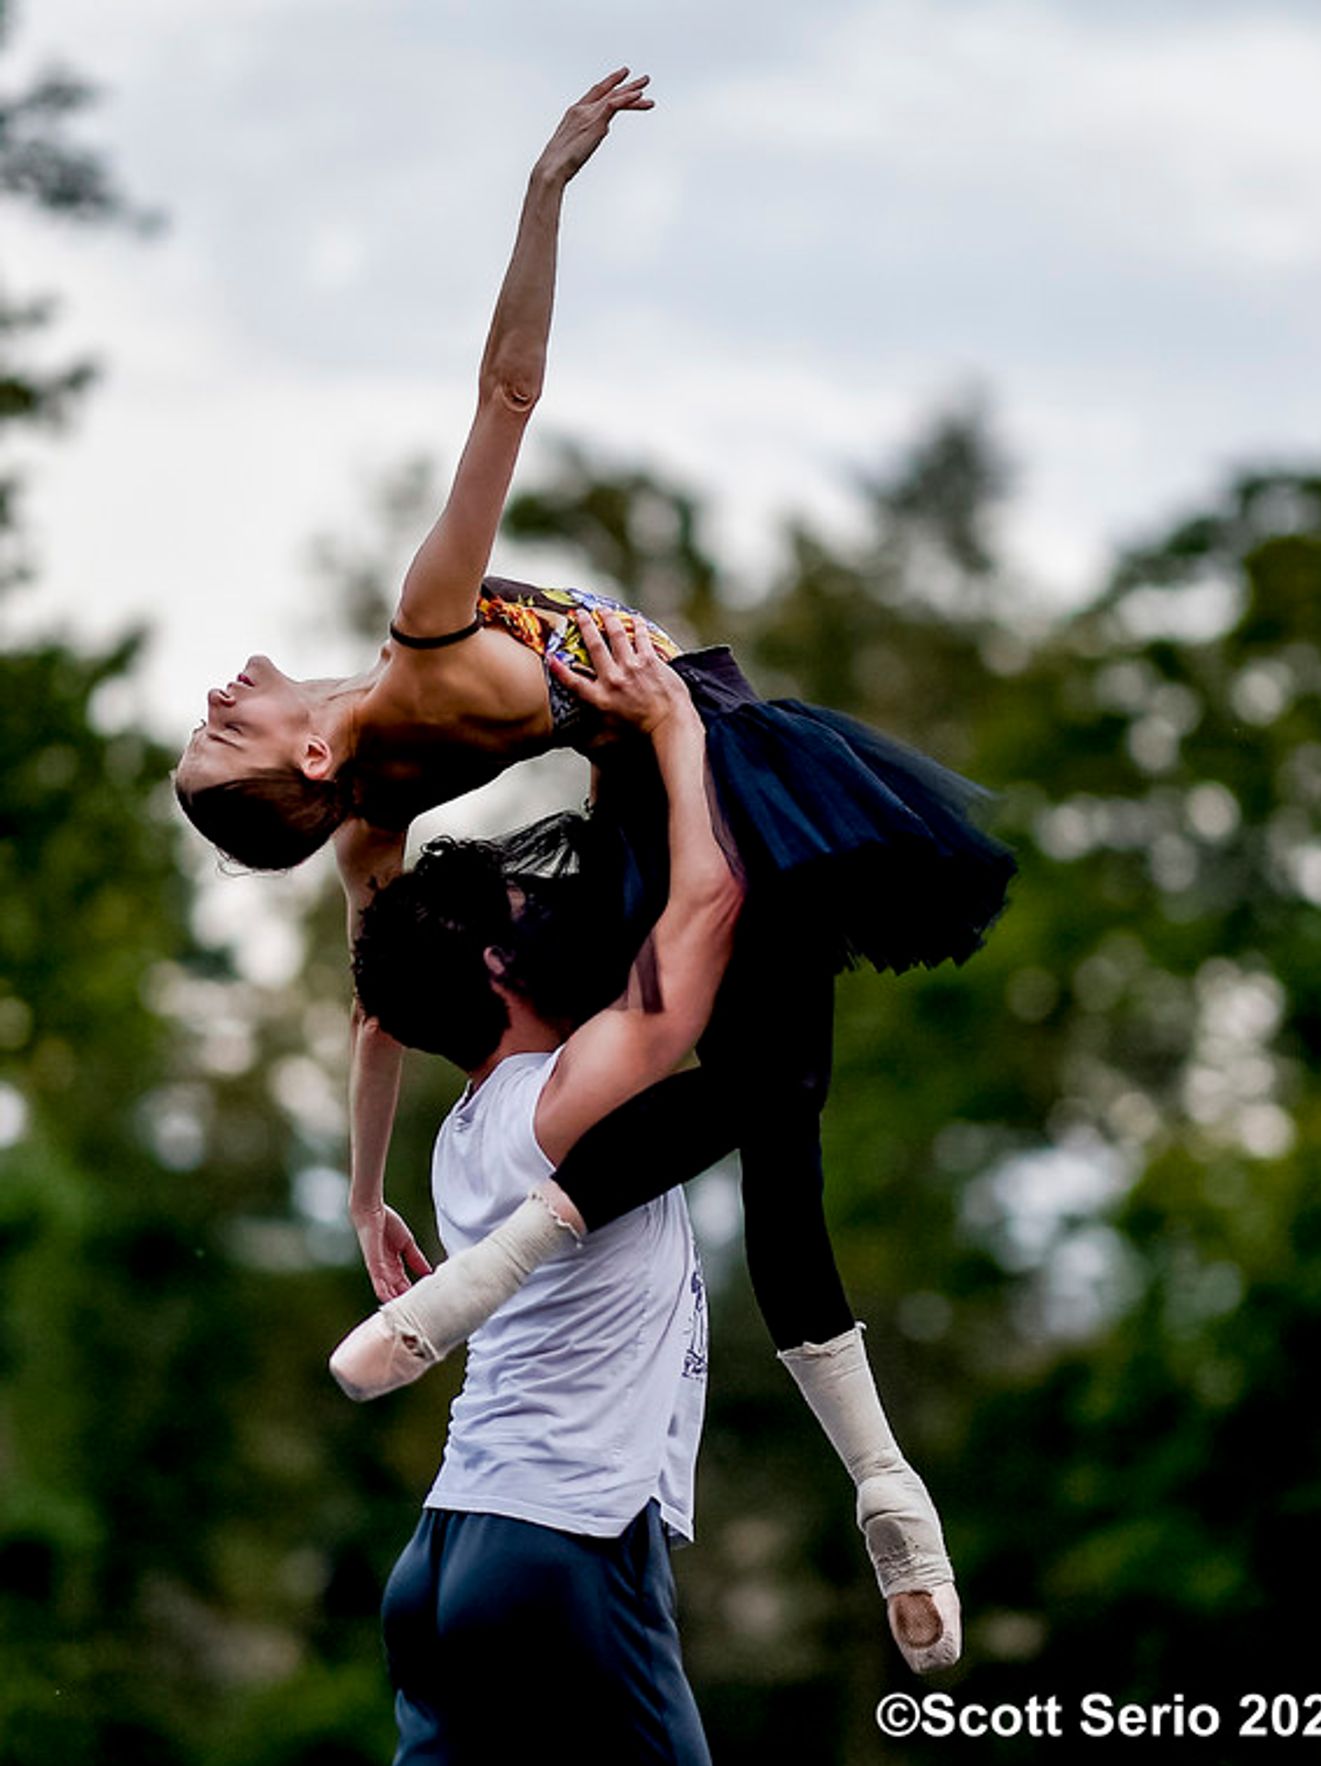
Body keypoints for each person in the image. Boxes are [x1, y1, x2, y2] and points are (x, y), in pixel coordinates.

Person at [175, 69, 1005, 1669]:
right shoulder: (422, 645)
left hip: (668, 801)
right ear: (312, 763)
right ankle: (883, 1480)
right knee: (772, 1113)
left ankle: (838, 1459)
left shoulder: (375, 814)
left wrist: (362, 1191)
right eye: (223, 737)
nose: (219, 698)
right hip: (698, 766)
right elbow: (507, 395)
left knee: (764, 1106)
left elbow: (375, 1008)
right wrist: (546, 189)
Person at [364, 627, 732, 1766]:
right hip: (562, 1544)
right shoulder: (558, 1102)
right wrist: (672, 723)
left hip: (440, 1555)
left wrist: (607, 761)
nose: (552, 911)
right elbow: (706, 907)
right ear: (494, 966)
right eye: (524, 908)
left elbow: (386, 1003)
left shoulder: (464, 1132)